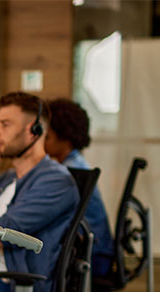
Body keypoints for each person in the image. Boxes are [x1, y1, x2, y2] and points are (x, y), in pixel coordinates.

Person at [0, 91, 79, 292]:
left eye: (5, 124)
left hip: (10, 290)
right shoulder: (7, 178)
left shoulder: (54, 181)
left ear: (34, 131)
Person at [44, 98, 113, 277]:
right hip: (96, 251)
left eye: (48, 135)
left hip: (92, 258)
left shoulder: (72, 172)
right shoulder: (75, 164)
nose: (42, 140)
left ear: (64, 136)